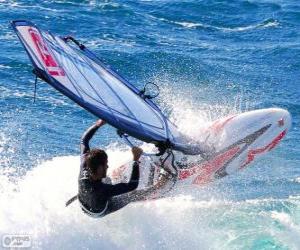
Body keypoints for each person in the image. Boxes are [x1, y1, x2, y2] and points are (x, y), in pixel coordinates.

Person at [71, 119, 173, 218]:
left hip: (84, 200)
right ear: (98, 168)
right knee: (131, 195)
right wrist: (135, 160)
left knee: (107, 179)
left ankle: (110, 180)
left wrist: (98, 124)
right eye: (105, 165)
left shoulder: (84, 163)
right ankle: (157, 187)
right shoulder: (103, 190)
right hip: (99, 211)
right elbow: (132, 186)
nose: (107, 166)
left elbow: (84, 141)